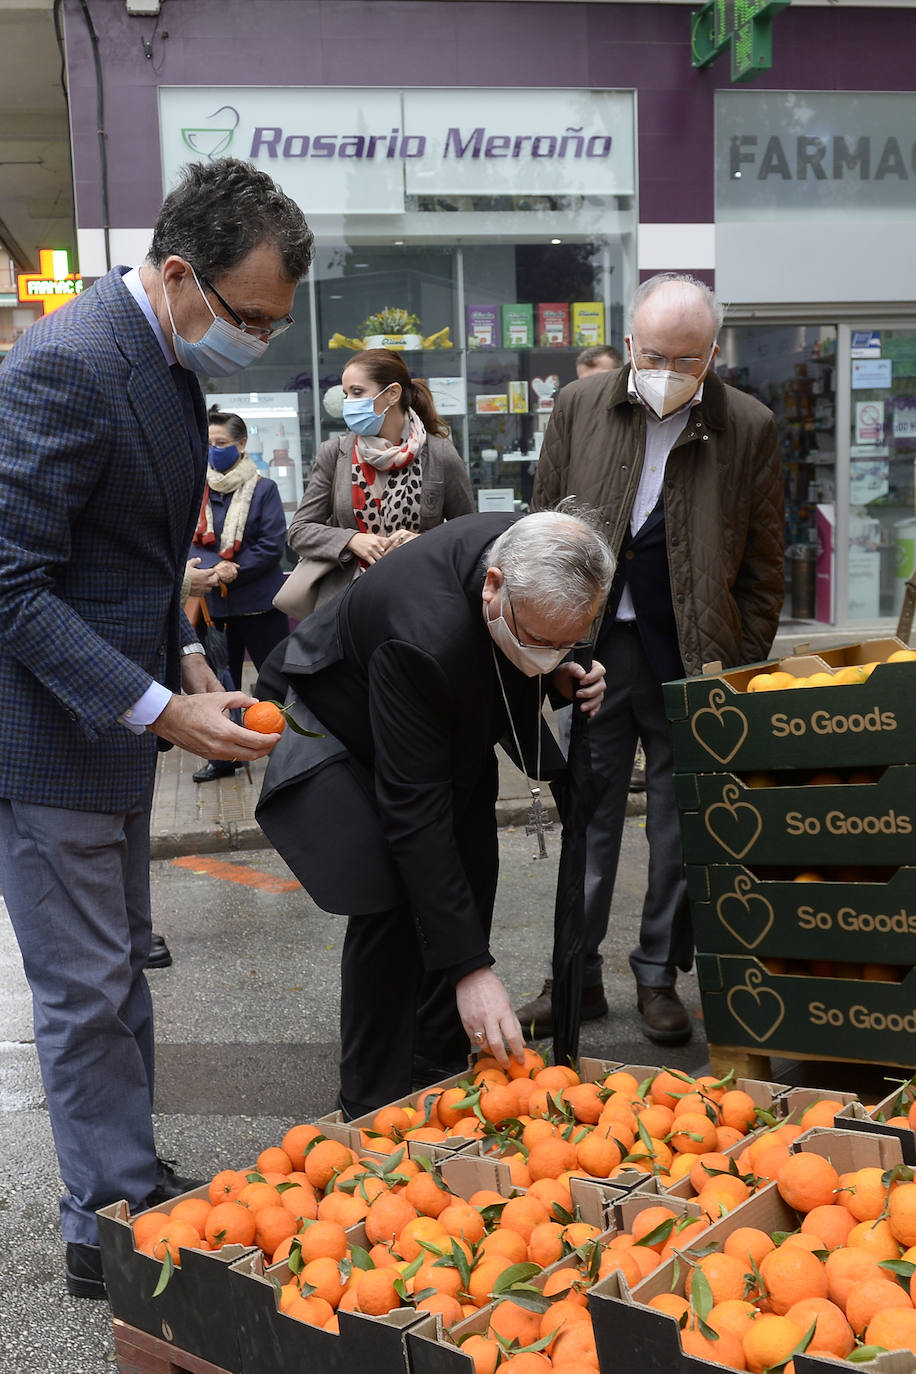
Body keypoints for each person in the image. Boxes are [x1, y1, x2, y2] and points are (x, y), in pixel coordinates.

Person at [0, 156, 314, 1298]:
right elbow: (12, 582)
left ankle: (124, 1178)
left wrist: (185, 661)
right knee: (87, 993)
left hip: (115, 730)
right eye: (250, 318)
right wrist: (162, 710)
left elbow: (130, 564)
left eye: (275, 323)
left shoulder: (165, 359)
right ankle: (104, 1227)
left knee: (119, 976)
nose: (260, 341)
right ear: (180, 274)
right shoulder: (66, 364)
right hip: (51, 741)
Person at [254, 511, 613, 1118]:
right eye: (540, 640)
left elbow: (529, 647)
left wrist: (558, 674)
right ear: (494, 585)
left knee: (472, 871)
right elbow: (414, 814)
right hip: (349, 721)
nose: (550, 655)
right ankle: (371, 1103)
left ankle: (438, 1066)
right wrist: (472, 971)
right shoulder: (420, 636)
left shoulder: (541, 552)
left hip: (453, 712)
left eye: (568, 642)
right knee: (389, 900)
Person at [516, 273, 784, 1045]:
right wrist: (550, 646)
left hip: (694, 659)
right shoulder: (579, 406)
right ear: (630, 344)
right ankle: (574, 977)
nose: (670, 371)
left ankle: (658, 975)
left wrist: (736, 664)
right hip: (595, 650)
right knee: (588, 818)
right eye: (656, 355)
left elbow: (765, 565)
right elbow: (544, 526)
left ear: (713, 354)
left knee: (681, 830)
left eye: (689, 359)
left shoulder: (750, 425)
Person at [286, 348, 474, 609]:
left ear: (392, 394)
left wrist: (423, 542)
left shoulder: (439, 454)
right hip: (348, 603)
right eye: (346, 394)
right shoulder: (335, 453)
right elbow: (299, 530)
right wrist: (351, 540)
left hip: (419, 601)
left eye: (357, 392)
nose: (349, 402)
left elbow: (468, 533)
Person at [190, 405, 291, 783]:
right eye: (210, 443)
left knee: (278, 680)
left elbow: (271, 544)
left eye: (221, 443)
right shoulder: (197, 489)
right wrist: (213, 569)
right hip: (214, 607)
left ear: (242, 444)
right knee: (218, 684)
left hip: (260, 605)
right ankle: (226, 757)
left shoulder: (264, 489)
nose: (214, 450)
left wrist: (234, 569)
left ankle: (289, 752)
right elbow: (186, 540)